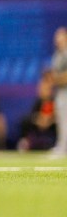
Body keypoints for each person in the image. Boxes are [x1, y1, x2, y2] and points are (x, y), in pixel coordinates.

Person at [18, 70, 57, 152]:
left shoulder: (56, 101)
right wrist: (38, 119)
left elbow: (59, 116)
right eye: (42, 87)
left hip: (52, 126)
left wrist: (50, 120)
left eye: (46, 87)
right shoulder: (38, 101)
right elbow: (33, 115)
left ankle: (57, 145)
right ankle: (25, 142)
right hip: (39, 125)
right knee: (25, 120)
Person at [49, 26, 67, 157]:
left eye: (60, 37)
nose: (57, 40)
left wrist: (57, 79)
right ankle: (62, 146)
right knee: (61, 120)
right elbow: (53, 75)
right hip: (60, 92)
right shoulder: (57, 54)